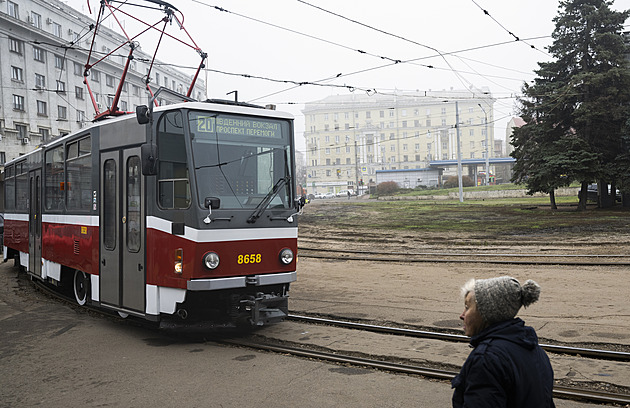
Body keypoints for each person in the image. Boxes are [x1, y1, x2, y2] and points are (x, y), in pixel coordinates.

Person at [452, 276, 555, 408]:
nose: (462, 315)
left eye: (467, 307)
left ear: (486, 313)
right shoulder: (533, 348)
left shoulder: (486, 359)